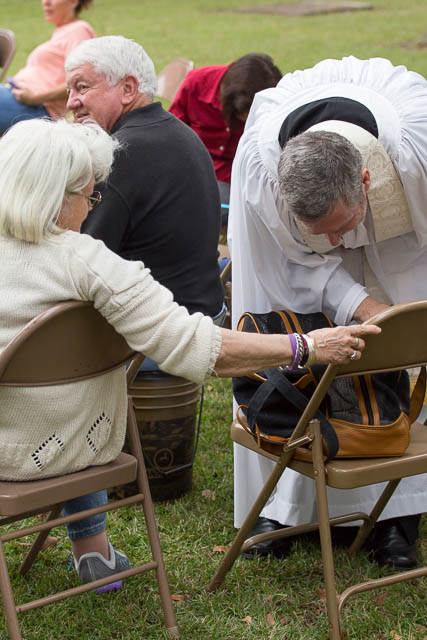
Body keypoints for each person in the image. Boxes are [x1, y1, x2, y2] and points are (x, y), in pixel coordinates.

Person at [0, 118, 379, 590]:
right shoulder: (90, 263)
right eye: (89, 195)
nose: (91, 207)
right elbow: (201, 348)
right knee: (77, 399)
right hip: (73, 451)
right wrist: (307, 345)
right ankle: (93, 549)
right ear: (57, 197)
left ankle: (91, 547)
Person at [229, 55, 427, 569]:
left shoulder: (418, 148)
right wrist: (360, 305)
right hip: (293, 260)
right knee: (299, 342)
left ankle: (399, 518)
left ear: (365, 181)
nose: (337, 244)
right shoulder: (263, 170)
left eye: (342, 227)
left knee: (411, 343)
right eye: (322, 233)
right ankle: (288, 506)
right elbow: (290, 269)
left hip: (411, 237)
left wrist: (403, 319)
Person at [64, 36, 225, 336]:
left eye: (82, 87)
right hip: (203, 313)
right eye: (69, 90)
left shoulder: (119, 154)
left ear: (128, 89)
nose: (71, 102)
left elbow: (80, 262)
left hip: (167, 334)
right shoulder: (175, 130)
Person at [169, 53, 282, 212]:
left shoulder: (272, 99)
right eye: (242, 115)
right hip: (193, 173)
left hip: (243, 180)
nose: (245, 121)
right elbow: (172, 136)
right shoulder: (196, 83)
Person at [0, 0, 95, 134]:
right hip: (16, 98)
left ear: (74, 1)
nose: (46, 2)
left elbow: (81, 81)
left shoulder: (79, 30)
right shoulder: (63, 31)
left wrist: (34, 98)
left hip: (35, 108)